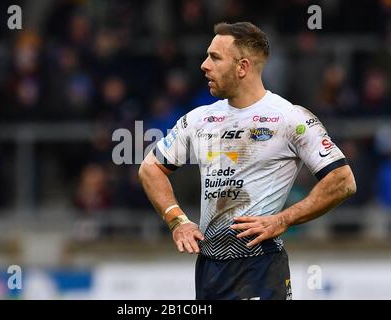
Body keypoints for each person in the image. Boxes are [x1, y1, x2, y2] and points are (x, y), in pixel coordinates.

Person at [138, 22, 356, 300]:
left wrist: (283, 219)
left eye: (215, 57)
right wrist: (177, 220)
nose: (204, 65)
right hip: (209, 268)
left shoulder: (290, 118)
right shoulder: (199, 119)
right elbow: (150, 168)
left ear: (242, 67)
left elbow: (343, 181)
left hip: (260, 265)